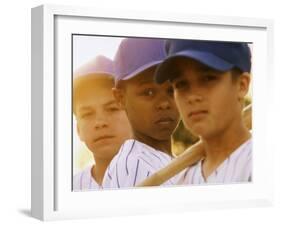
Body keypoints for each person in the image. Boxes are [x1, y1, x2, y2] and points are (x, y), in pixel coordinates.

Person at [102, 38, 204, 189]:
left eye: (172, 89)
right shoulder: (134, 166)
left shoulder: (166, 162)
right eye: (148, 92)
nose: (164, 103)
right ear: (120, 98)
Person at [155, 39, 252, 184]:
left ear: (242, 85)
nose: (192, 97)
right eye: (181, 84)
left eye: (208, 78)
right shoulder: (182, 181)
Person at [73, 55, 132, 191]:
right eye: (87, 114)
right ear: (78, 130)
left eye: (112, 109)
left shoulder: (172, 179)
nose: (100, 123)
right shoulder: (71, 188)